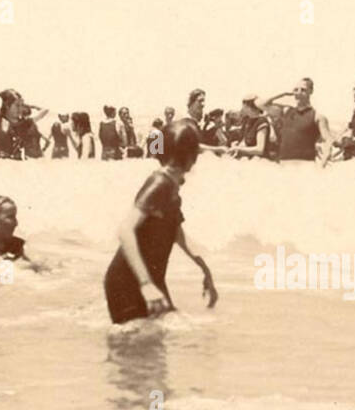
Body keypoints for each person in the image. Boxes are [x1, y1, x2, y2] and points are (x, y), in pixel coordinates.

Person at [103, 121, 217, 324]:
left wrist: (205, 271)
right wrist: (145, 284)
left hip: (150, 279)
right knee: (140, 348)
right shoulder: (160, 184)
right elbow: (125, 230)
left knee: (165, 340)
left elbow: (178, 234)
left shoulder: (171, 186)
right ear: (189, 156)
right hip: (129, 282)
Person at [259, 78, 331, 165]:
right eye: (296, 90)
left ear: (311, 91)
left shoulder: (318, 117)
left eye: (303, 90)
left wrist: (322, 164)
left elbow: (328, 141)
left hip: (305, 165)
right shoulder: (286, 111)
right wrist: (283, 94)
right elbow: (261, 105)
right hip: (284, 163)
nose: (299, 93)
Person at [228, 95, 272, 159]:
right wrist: (235, 145)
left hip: (259, 160)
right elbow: (244, 141)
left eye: (243, 105)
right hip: (248, 159)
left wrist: (238, 148)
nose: (242, 108)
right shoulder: (247, 120)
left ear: (249, 107)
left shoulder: (262, 121)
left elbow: (259, 150)